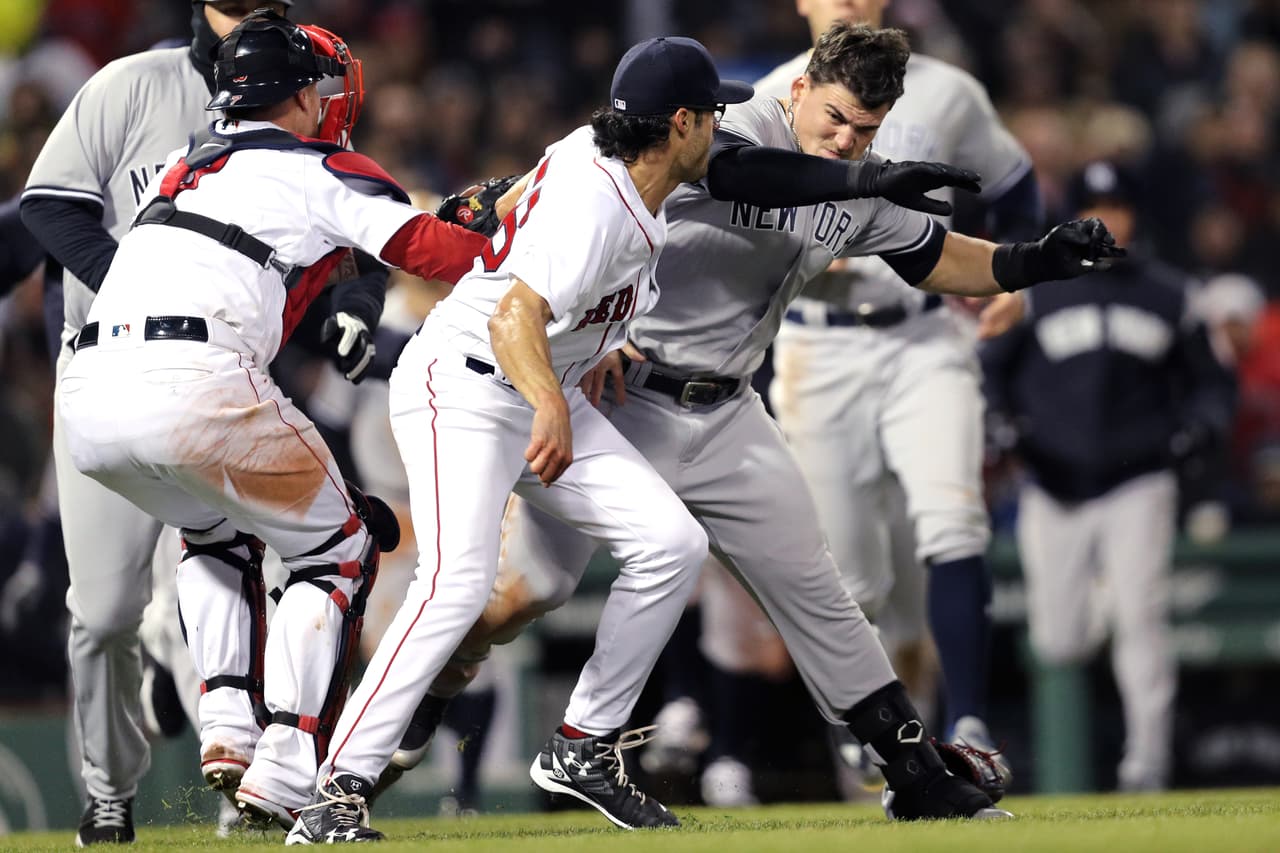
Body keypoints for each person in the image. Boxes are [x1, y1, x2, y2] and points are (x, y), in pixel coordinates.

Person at [375, 21, 1121, 830]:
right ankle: (406, 714)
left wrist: (1035, 258)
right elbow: (734, 174)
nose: (846, 138)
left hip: (727, 408)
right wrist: (863, 174)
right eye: (834, 117)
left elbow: (932, 256)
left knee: (817, 589)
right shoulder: (729, 127)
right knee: (528, 593)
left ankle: (912, 768)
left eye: (865, 128)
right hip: (619, 393)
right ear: (799, 90)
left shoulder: (851, 173)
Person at [286, 35, 756, 843]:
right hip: (463, 383)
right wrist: (550, 395)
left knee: (670, 542)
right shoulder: (605, 204)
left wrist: (582, 340)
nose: (717, 128)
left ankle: (583, 745)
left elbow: (507, 201)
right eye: (711, 115)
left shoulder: (589, 149)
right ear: (679, 123)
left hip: (539, 380)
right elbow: (514, 314)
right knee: (455, 583)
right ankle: (335, 792)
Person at [53, 7, 488, 838]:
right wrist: (504, 233)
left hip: (92, 392)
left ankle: (226, 723)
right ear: (297, 98)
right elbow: (431, 254)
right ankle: (289, 764)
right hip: (195, 381)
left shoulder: (188, 164)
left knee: (216, 530)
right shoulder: (314, 166)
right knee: (346, 544)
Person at [19, 1, 311, 845]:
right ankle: (110, 789)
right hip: (108, 369)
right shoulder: (130, 85)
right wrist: (143, 279)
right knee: (106, 611)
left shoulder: (296, 96)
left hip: (224, 378)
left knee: (267, 574)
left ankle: (258, 784)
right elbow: (48, 206)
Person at [763, 0, 1043, 772]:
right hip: (817, 349)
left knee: (954, 522)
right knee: (851, 578)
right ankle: (877, 735)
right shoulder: (771, 97)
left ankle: (974, 722)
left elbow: (1017, 191)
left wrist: (1016, 279)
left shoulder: (948, 91)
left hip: (925, 333)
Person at [981, 160, 1235, 792]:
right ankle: (1103, 600)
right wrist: (1001, 425)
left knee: (1141, 621)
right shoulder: (1036, 286)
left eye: (1116, 206)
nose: (1106, 218)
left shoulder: (1172, 293)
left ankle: (1145, 763)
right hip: (1052, 480)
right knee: (1059, 639)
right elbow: (988, 369)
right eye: (1094, 206)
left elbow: (1213, 383)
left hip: (1140, 480)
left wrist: (1197, 429)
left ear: (1135, 213)